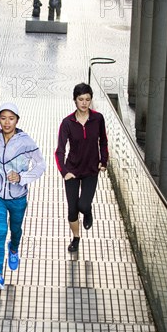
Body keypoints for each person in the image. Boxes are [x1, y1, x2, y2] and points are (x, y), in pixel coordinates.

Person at [0, 102, 46, 290]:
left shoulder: (26, 141)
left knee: (16, 230)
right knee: (0, 231)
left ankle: (14, 248)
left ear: (17, 120)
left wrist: (22, 177)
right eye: (3, 118)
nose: (7, 122)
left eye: (11, 118)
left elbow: (41, 165)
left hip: (18, 196)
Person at [55, 83, 109, 253]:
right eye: (81, 99)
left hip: (91, 170)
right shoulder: (67, 123)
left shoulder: (98, 118)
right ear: (75, 100)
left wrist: (104, 161)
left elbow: (104, 141)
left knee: (84, 205)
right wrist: (64, 172)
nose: (84, 103)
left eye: (87, 99)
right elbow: (60, 151)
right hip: (72, 170)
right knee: (72, 209)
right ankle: (76, 238)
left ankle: (88, 211)